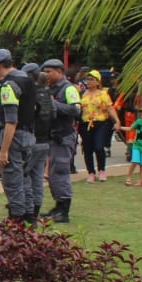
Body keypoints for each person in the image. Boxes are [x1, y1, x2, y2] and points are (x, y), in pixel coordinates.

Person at [0, 49, 39, 224]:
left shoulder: (9, 85)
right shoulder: (28, 79)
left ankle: (16, 219)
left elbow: (11, 121)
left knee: (12, 179)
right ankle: (29, 214)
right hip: (29, 134)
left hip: (14, 136)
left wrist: (4, 151)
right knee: (25, 177)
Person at [38, 60, 82, 222]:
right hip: (51, 136)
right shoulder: (48, 88)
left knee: (61, 173)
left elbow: (76, 110)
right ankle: (58, 206)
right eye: (45, 72)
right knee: (52, 174)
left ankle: (64, 210)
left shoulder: (68, 88)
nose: (46, 75)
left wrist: (53, 103)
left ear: (59, 71)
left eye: (49, 71)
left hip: (63, 137)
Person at [79, 69, 120, 183]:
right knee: (87, 149)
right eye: (87, 79)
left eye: (92, 79)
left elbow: (110, 108)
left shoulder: (103, 94)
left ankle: (101, 170)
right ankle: (91, 172)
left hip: (100, 123)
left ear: (98, 82)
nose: (89, 82)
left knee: (99, 146)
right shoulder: (83, 94)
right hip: (86, 124)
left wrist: (117, 121)